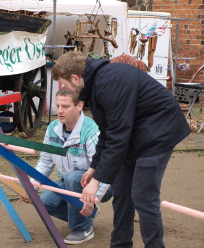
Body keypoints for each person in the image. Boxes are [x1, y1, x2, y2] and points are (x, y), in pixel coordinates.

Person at [51, 51, 190, 248]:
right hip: (135, 133)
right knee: (122, 193)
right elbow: (107, 132)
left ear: (75, 77)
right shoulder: (96, 86)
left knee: (143, 196)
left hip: (159, 132)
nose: (66, 88)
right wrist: (94, 168)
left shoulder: (110, 83)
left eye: (66, 84)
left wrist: (96, 183)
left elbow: (118, 136)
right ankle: (120, 245)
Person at [23, 87, 111, 245]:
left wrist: (94, 198)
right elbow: (45, 162)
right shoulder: (53, 129)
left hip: (103, 181)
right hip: (70, 181)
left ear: (79, 105)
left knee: (72, 178)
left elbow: (105, 167)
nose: (60, 111)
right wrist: (32, 186)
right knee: (44, 203)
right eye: (58, 106)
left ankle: (82, 228)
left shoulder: (91, 131)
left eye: (65, 106)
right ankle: (87, 215)